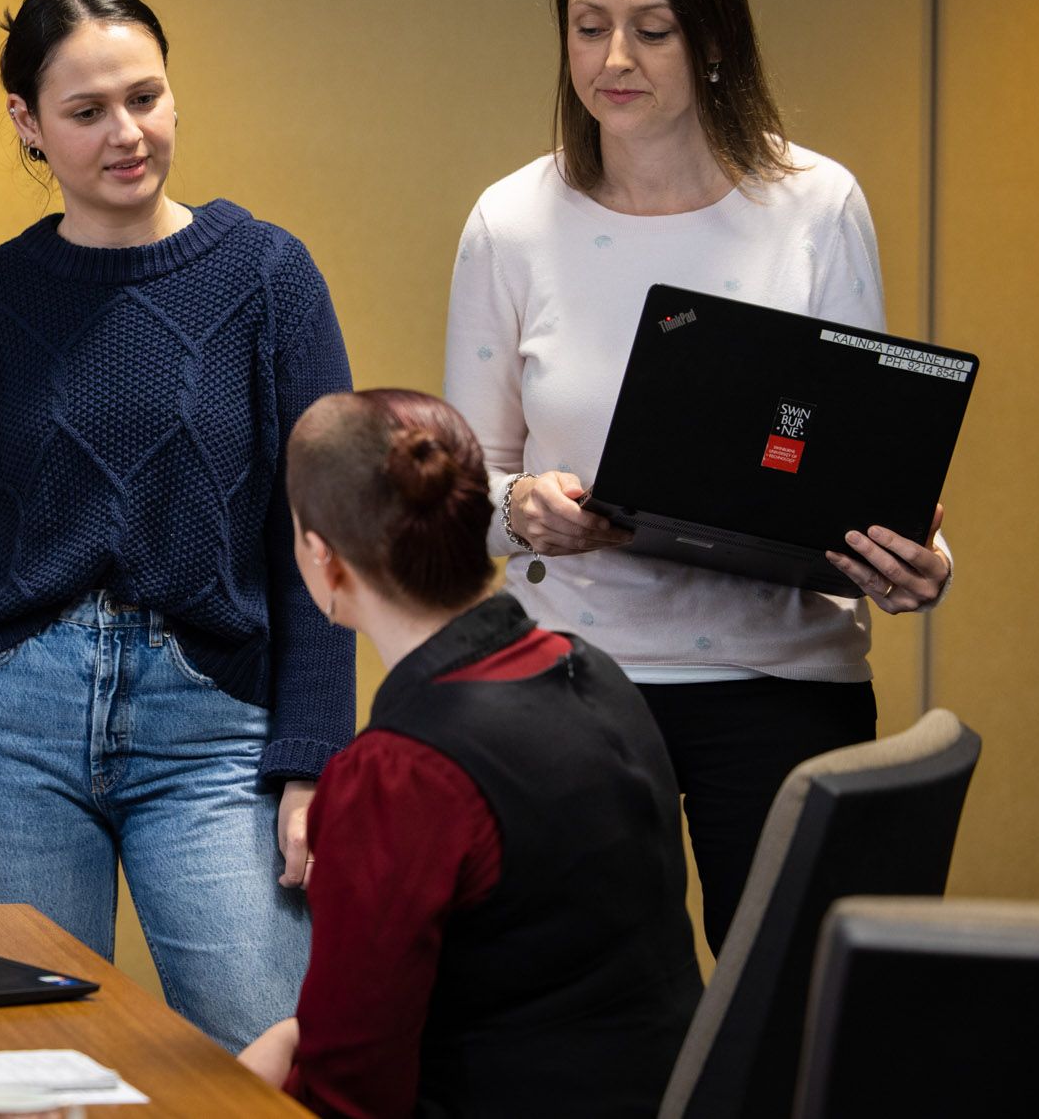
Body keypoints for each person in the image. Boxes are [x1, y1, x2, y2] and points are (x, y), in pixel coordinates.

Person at [444, 0, 951, 953]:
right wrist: (521, 508)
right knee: (587, 1022)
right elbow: (465, 490)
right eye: (587, 27)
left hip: (780, 685)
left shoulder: (815, 206)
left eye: (650, 27)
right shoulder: (511, 221)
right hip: (576, 685)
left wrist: (902, 549)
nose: (612, 57)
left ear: (712, 37)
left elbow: (852, 462)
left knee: (780, 1016)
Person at [0, 0, 355, 1050]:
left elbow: (322, 541)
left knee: (271, 1048)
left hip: (214, 728)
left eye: (144, 96)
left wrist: (314, 761)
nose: (124, 134)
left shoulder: (269, 276)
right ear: (26, 125)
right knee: (26, 1070)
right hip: (6, 730)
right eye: (86, 112)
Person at [239, 388, 700, 1117]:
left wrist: (265, 1068)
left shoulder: (398, 773)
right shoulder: (592, 672)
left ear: (322, 559)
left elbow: (349, 1096)